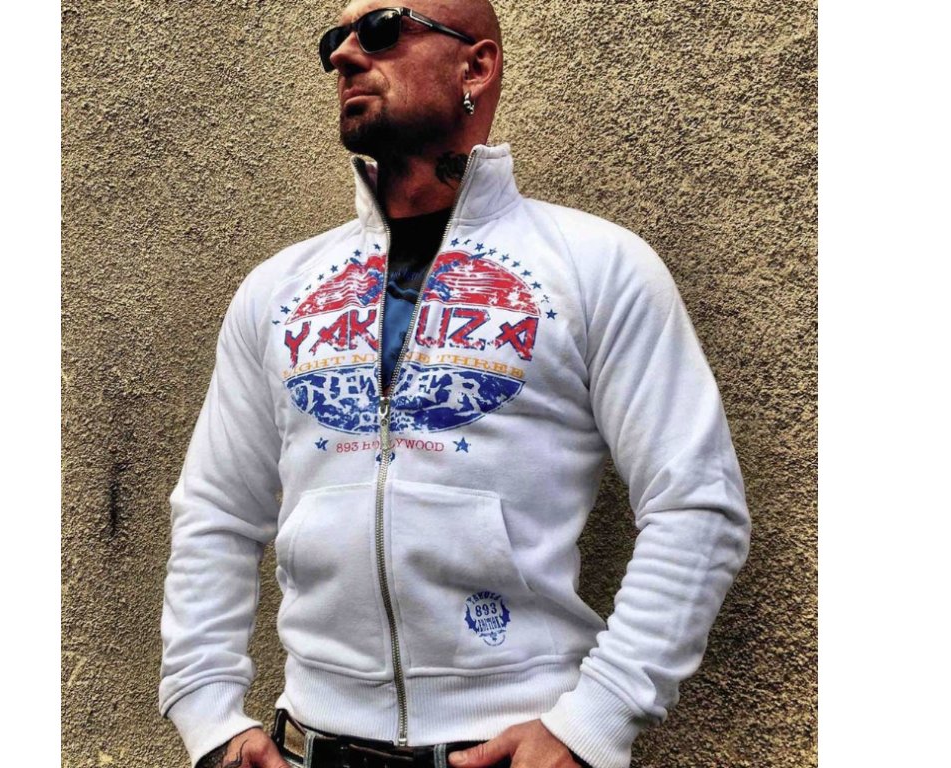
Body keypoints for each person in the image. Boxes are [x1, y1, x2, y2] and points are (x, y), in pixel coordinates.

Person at [158, 1, 751, 767]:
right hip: (308, 744)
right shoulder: (280, 287)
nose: (344, 55)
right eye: (334, 38)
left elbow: (696, 502)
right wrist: (206, 716)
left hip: (508, 747)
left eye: (381, 29)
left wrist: (595, 723)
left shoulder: (595, 266)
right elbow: (216, 509)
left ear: (476, 65)